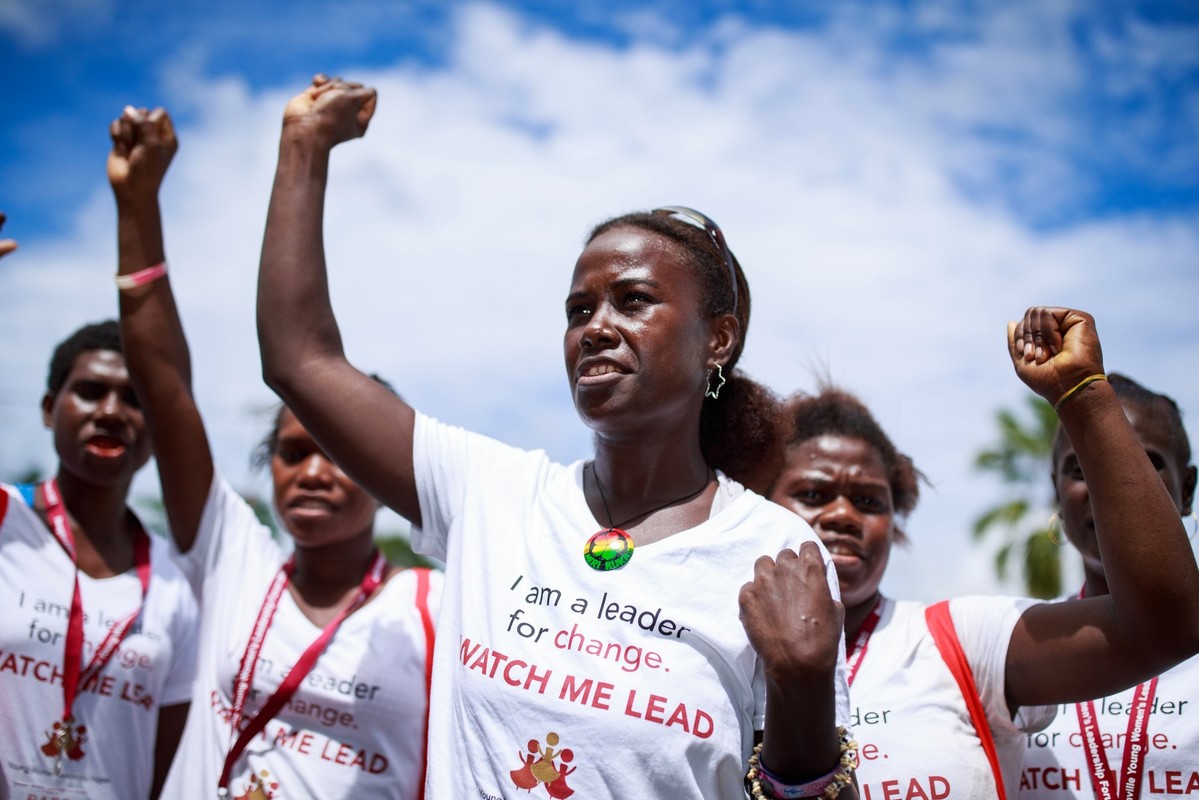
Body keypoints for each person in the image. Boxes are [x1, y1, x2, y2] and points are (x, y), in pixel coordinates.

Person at [256, 75, 857, 799]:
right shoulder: (491, 495)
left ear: (716, 341)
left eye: (633, 300)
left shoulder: (776, 554)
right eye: (578, 309)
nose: (596, 326)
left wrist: (802, 680)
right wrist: (304, 147)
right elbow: (301, 360)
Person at [106, 105, 441, 800]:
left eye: (343, 457)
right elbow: (165, 392)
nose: (315, 473)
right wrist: (136, 207)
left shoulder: (435, 606)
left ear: (382, 477)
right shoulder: (234, 558)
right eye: (293, 453)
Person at [769, 310, 1199, 798]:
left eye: (870, 501)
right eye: (812, 494)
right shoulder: (702, 644)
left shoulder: (963, 640)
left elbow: (1162, 626)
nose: (843, 514)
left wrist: (1082, 393)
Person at [0, 319, 199, 800]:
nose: (111, 412)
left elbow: (166, 771)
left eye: (136, 400)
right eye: (90, 391)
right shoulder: (6, 520)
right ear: (51, 409)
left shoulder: (178, 582)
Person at [1017, 373, 1198, 798]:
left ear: (1186, 488)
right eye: (1081, 468)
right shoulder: (1022, 645)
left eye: (1137, 462)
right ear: (1056, 493)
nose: (1105, 484)